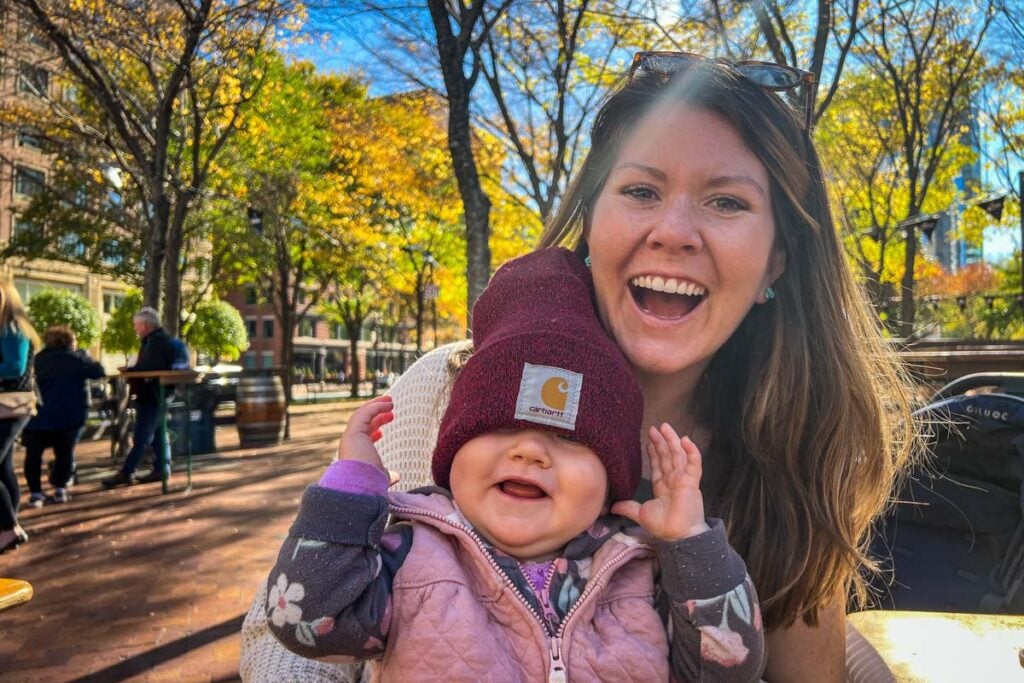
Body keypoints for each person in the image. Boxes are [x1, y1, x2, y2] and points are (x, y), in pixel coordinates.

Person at [241, 52, 917, 681]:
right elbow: (288, 638)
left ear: (777, 260)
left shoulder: (788, 451)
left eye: (727, 201)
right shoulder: (445, 387)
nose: (674, 231)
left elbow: (815, 662)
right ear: (591, 226)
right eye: (642, 190)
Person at [264, 249, 765, 680]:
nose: (528, 451)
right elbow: (306, 620)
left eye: (567, 437)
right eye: (499, 427)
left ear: (612, 478)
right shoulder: (406, 557)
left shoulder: (639, 571)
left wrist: (690, 543)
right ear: (452, 449)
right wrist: (355, 487)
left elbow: (727, 669)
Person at [23, 326, 106, 507]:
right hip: (69, 416)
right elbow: (99, 371)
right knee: (65, 453)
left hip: (38, 416)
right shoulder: (76, 359)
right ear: (69, 341)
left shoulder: (38, 360)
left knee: (33, 456)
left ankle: (36, 493)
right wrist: (85, 355)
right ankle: (60, 489)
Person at [102, 307, 177, 488]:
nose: (135, 329)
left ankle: (127, 472)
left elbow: (152, 366)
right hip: (158, 393)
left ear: (145, 325)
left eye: (136, 325)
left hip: (153, 394)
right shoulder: (157, 340)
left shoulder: (156, 342)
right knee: (158, 433)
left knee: (142, 437)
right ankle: (161, 468)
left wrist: (132, 371)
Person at [0, 281, 40, 553]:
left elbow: (14, 367)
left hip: (13, 405)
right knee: (4, 467)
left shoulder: (13, 328)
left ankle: (9, 528)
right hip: (9, 405)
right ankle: (8, 527)